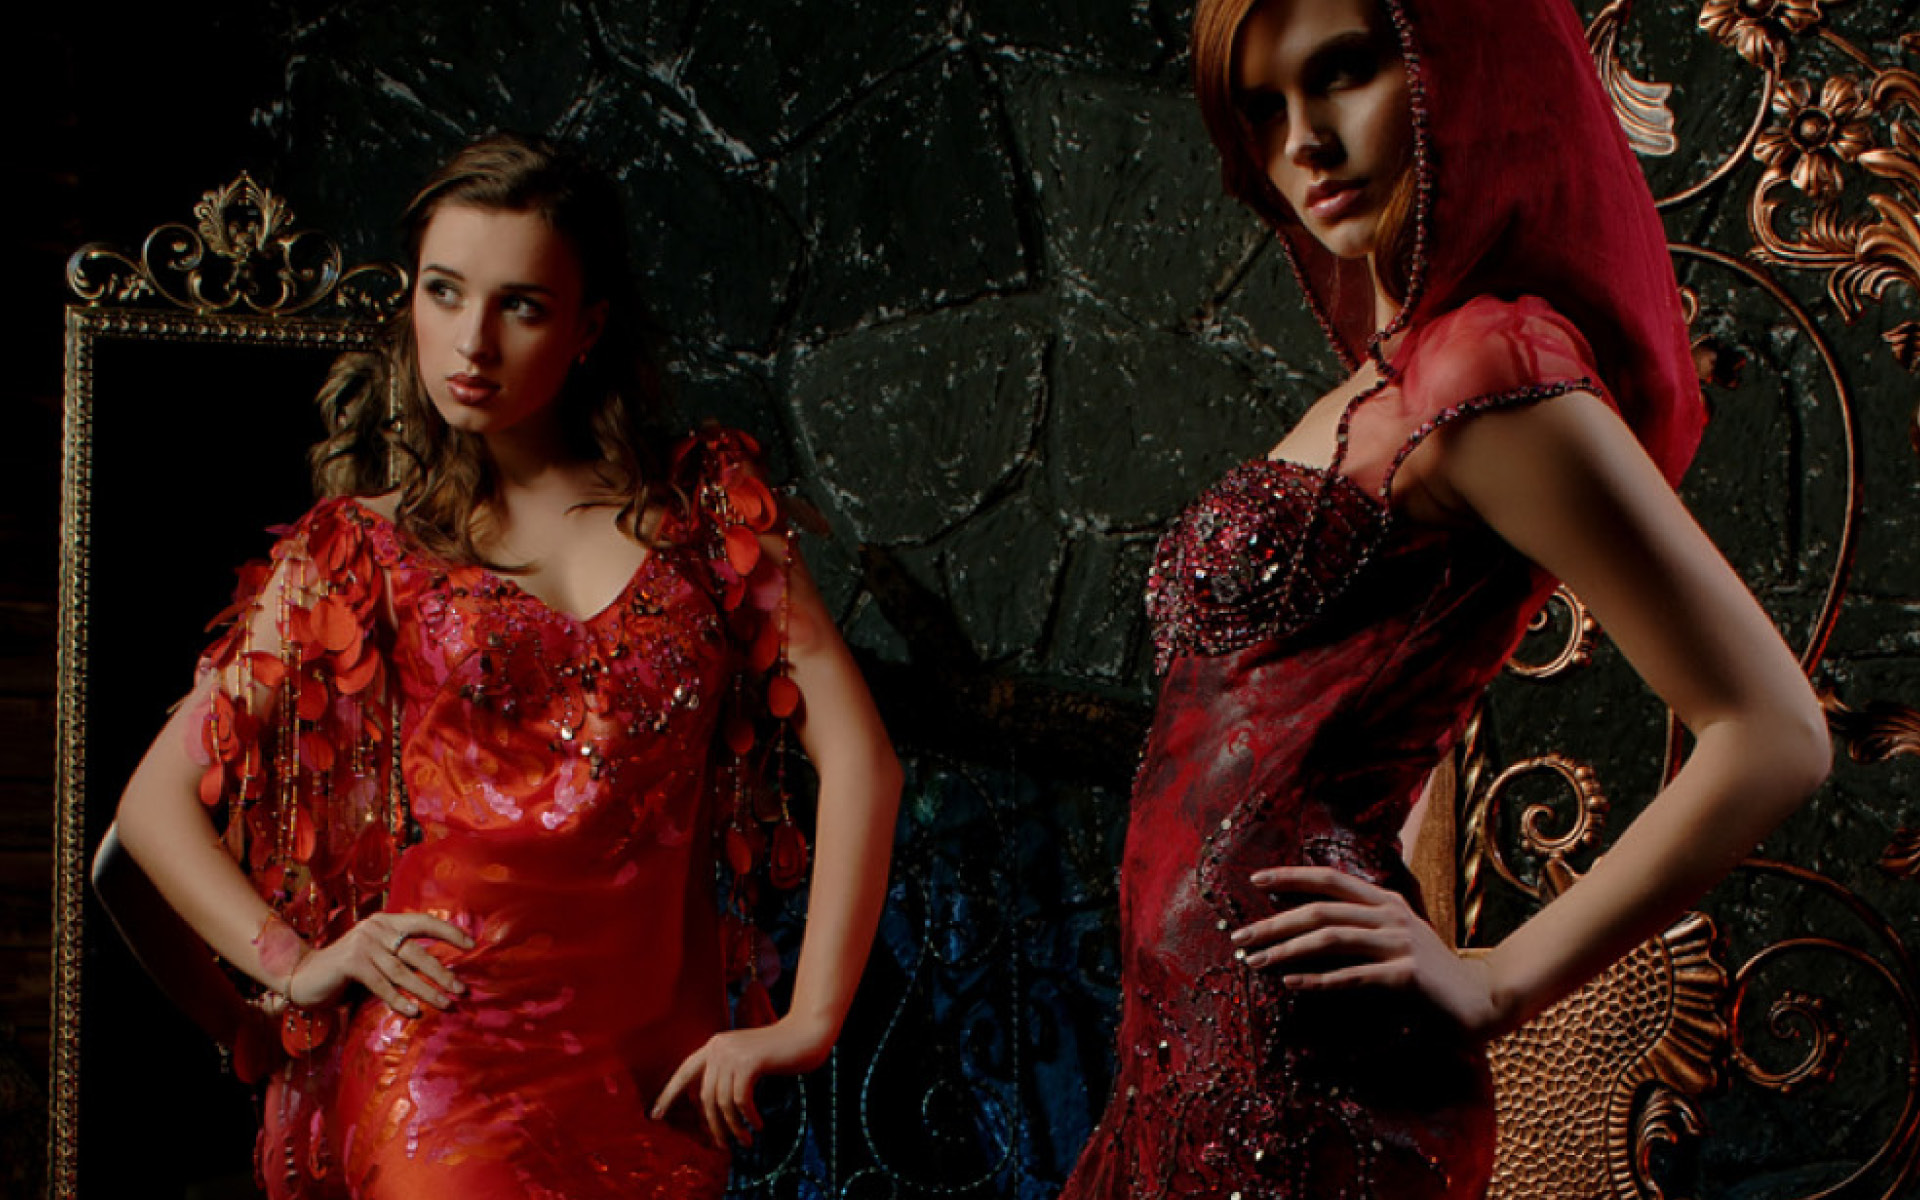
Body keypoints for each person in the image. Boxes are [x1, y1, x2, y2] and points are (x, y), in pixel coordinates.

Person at [1059, 0, 1830, 1196]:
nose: (1304, 141)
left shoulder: (1487, 370)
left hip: (1299, 1087)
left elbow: (1775, 733)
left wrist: (1498, 977)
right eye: (1263, 109)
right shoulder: (1375, 385)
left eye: (1343, 72)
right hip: (1184, 1062)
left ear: (1451, 67)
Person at [102, 132, 902, 1199]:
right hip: (442, 1066)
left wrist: (807, 1021)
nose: (470, 341)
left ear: (588, 327)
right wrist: (297, 966)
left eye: (520, 305)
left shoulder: (707, 520)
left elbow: (862, 760)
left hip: (651, 1079)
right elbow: (146, 813)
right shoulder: (362, 550)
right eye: (443, 291)